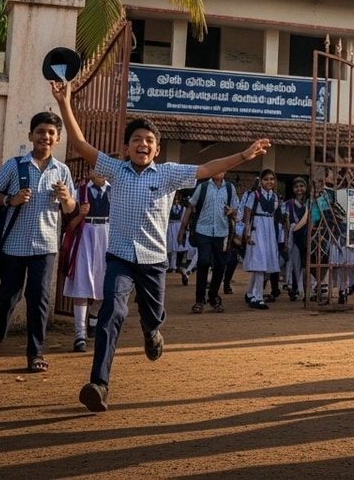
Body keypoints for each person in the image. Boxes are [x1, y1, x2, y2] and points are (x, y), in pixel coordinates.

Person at [49, 79, 269, 413]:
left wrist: (243, 154)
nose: (142, 144)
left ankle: (152, 332)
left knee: (152, 316)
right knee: (112, 312)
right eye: (136, 140)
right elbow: (79, 144)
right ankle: (100, 384)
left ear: (157, 149)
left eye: (149, 141)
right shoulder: (115, 169)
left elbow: (208, 169)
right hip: (120, 256)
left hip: (152, 261)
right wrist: (64, 102)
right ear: (126, 149)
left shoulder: (167, 174)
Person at [0, 112, 77, 371]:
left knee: (39, 299)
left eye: (51, 133)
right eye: (40, 131)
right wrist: (11, 200)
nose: (45, 136)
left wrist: (66, 198)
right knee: (7, 298)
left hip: (45, 247)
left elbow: (69, 209)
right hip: (14, 245)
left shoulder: (62, 170)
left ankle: (35, 353)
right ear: (30, 135)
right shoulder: (15, 166)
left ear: (58, 138)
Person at [61, 173, 110, 352]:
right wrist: (81, 214)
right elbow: (68, 222)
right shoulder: (79, 190)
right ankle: (79, 335)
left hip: (106, 236)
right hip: (84, 237)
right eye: (98, 172)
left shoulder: (113, 190)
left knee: (106, 285)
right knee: (82, 284)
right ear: (90, 171)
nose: (102, 176)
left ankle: (94, 316)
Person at [178, 169, 239, 314]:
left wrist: (231, 212)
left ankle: (213, 296)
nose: (218, 172)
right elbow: (190, 206)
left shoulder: (230, 188)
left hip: (222, 232)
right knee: (203, 262)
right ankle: (199, 300)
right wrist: (182, 229)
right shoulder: (203, 187)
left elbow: (236, 211)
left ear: (225, 172)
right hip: (203, 230)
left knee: (220, 266)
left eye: (221, 169)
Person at [241, 169, 282, 309]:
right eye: (266, 179)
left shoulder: (275, 196)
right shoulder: (254, 195)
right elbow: (247, 214)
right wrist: (247, 232)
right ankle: (258, 297)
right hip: (257, 227)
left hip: (269, 228)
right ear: (261, 181)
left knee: (262, 262)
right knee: (259, 262)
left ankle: (250, 293)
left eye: (272, 179)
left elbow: (275, 215)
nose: (269, 182)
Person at [284, 177, 308, 302]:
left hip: (307, 236)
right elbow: (287, 222)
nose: (299, 189)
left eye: (302, 186)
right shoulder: (289, 204)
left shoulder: (310, 202)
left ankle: (306, 289)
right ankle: (294, 288)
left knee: (306, 263)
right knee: (294, 262)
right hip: (294, 236)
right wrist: (287, 238)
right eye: (296, 187)